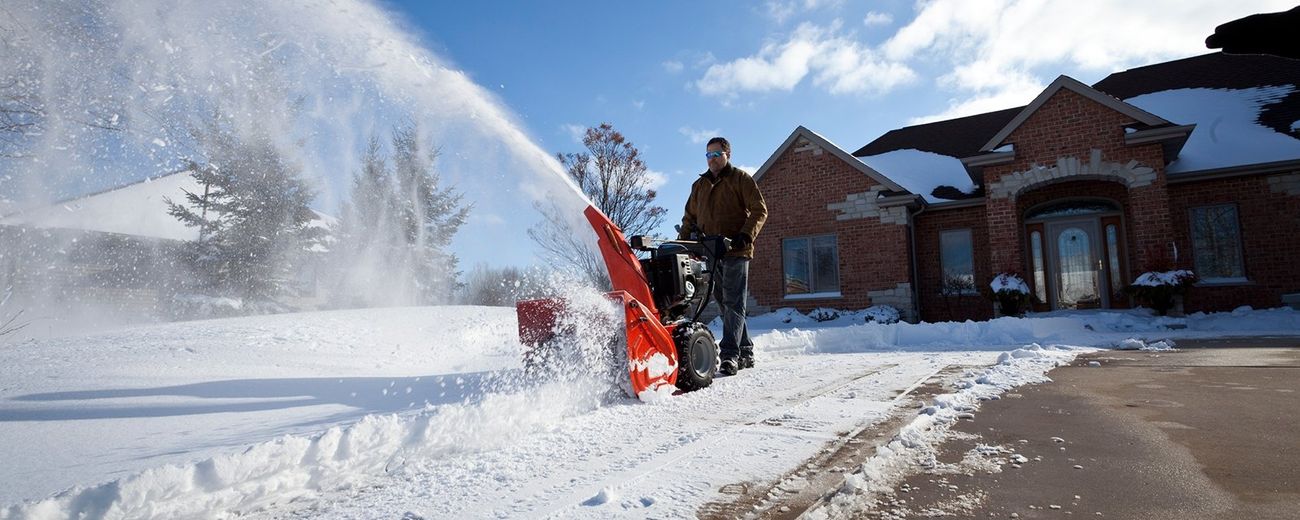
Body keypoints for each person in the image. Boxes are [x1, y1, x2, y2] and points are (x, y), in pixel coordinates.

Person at [678, 136, 767, 376]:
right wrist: (681, 246)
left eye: (717, 154)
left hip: (736, 250)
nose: (712, 159)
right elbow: (689, 219)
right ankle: (746, 350)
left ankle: (730, 355)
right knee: (725, 303)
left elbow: (760, 210)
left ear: (727, 154)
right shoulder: (699, 186)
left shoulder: (740, 179)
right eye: (708, 155)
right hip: (711, 252)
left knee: (733, 302)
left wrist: (746, 235)